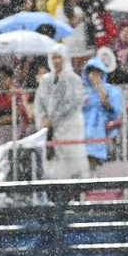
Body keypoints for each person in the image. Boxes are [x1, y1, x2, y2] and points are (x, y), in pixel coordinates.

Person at [35, 45, 89, 179]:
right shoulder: (46, 80)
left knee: (74, 160)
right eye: (53, 57)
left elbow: (72, 103)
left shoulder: (74, 80)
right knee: (54, 163)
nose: (56, 61)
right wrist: (43, 118)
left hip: (70, 127)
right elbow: (39, 102)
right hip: (51, 129)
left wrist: (53, 119)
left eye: (59, 57)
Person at [81, 57, 123, 173]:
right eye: (90, 71)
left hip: (105, 132)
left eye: (97, 71)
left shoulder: (112, 90)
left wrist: (99, 86)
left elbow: (113, 112)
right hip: (83, 132)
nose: (93, 75)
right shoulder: (83, 93)